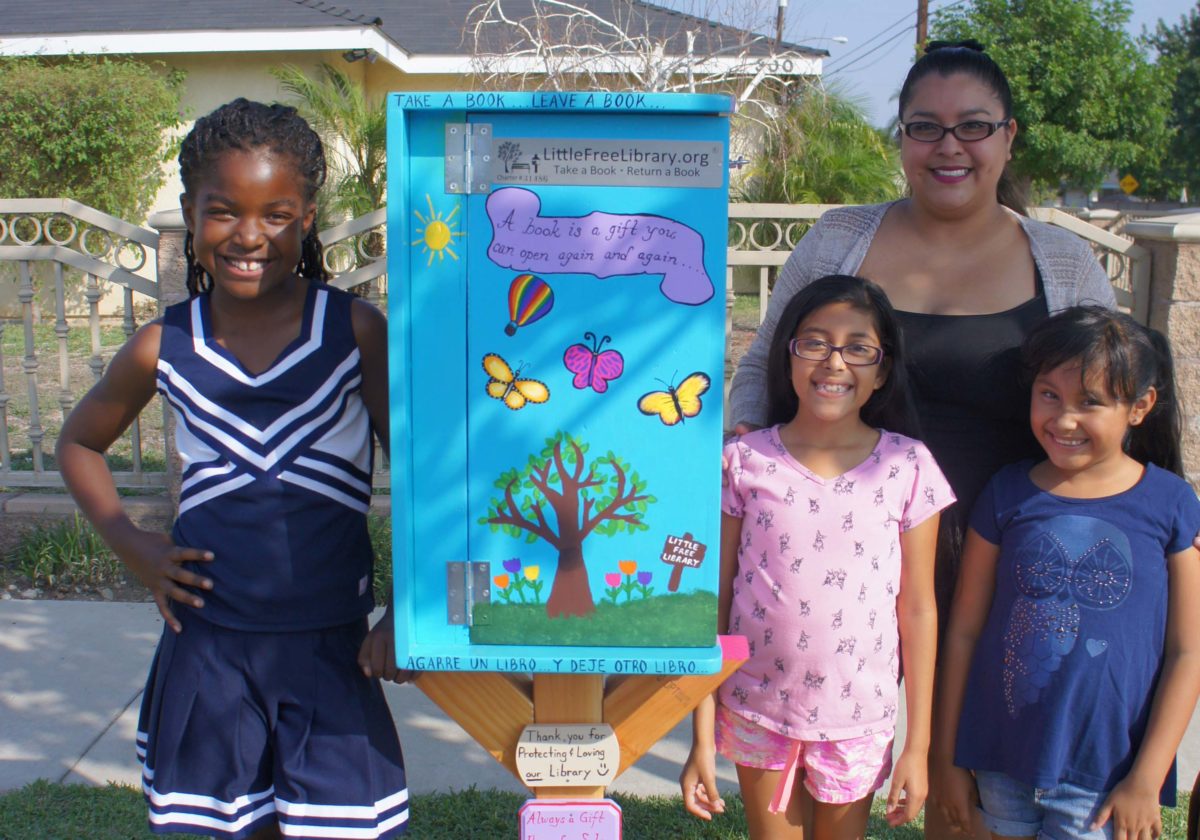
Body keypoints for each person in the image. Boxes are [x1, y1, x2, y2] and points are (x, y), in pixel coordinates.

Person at [56, 99, 409, 839]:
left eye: (276, 214)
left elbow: (422, 471)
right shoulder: (164, 345)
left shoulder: (352, 332)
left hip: (331, 649)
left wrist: (405, 608)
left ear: (308, 216)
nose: (249, 236)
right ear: (190, 213)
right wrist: (132, 542)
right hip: (207, 655)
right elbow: (78, 443)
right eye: (223, 212)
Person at [681, 275, 954, 838]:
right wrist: (701, 734)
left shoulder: (909, 468)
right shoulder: (742, 462)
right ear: (788, 357)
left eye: (858, 347)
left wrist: (917, 746)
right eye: (815, 342)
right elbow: (713, 598)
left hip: (859, 717)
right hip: (756, 706)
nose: (834, 362)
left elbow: (920, 610)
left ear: (882, 371)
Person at [934, 307, 1200, 840]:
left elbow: (1187, 651)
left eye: (1090, 402)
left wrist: (1146, 778)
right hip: (999, 764)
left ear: (1140, 406)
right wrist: (945, 759)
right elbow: (962, 632)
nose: (1064, 419)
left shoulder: (1171, 503)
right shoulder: (1007, 492)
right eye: (1049, 394)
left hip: (1106, 779)